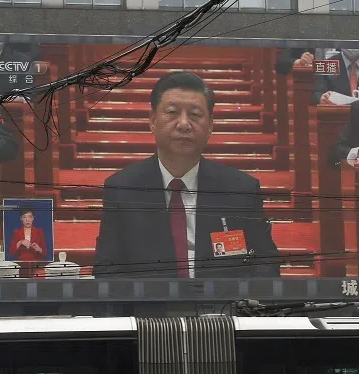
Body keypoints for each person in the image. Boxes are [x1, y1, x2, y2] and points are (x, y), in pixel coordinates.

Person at [93, 70, 281, 279]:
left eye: (195, 115)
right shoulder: (122, 189)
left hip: (223, 307)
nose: (184, 124)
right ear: (153, 120)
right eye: (172, 112)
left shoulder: (241, 190)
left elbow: (266, 265)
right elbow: (107, 273)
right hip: (149, 309)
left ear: (210, 125)